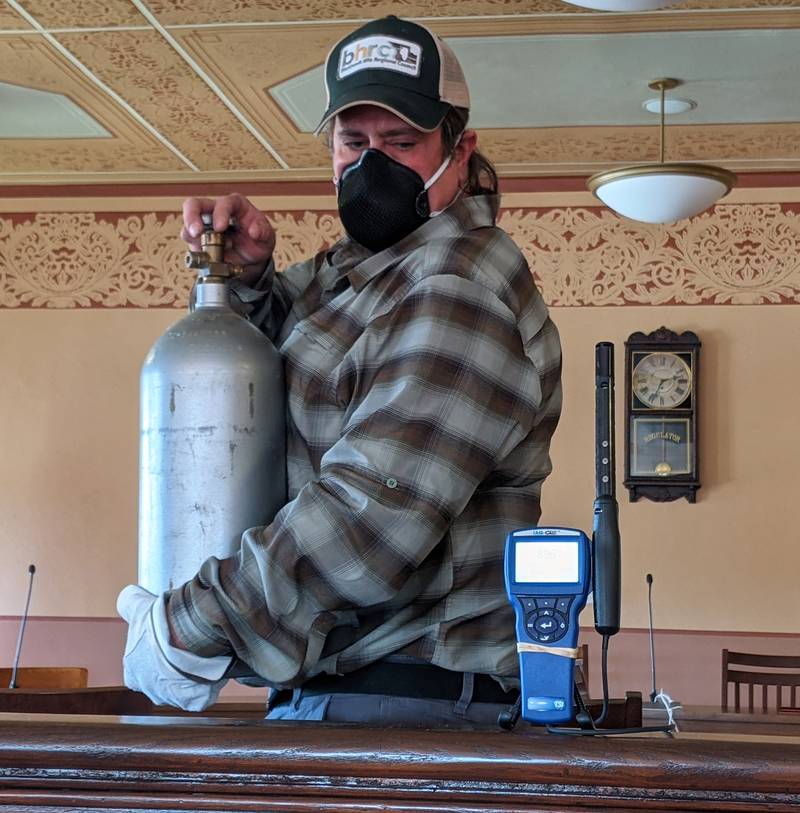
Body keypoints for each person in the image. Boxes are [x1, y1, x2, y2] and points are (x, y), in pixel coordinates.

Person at [117, 15, 562, 727]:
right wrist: (250, 279)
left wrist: (187, 627)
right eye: (353, 142)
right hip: (342, 695)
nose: (371, 164)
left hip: (413, 704)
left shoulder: (460, 286)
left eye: (402, 142)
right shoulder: (357, 273)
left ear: (461, 147)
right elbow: (290, 384)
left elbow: (368, 520)